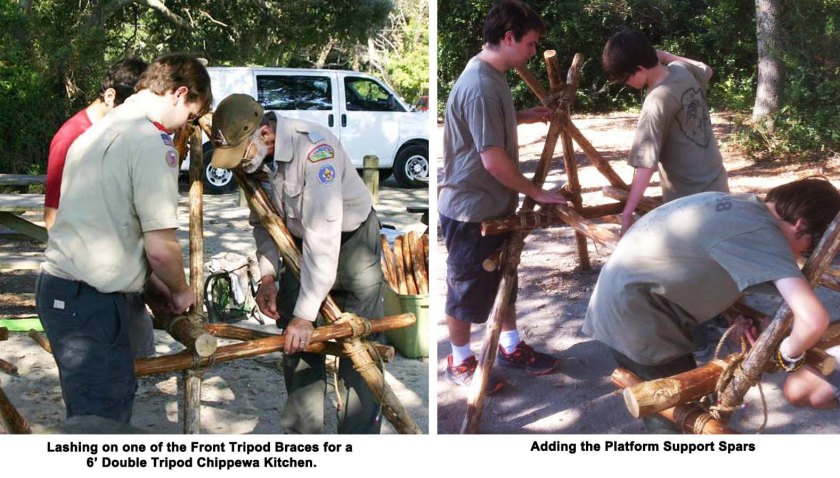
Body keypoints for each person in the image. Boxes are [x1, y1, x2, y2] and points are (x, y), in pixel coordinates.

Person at [582, 177, 840, 432]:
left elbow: (708, 264)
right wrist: (786, 355)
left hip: (621, 300)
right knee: (674, 414)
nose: (799, 256)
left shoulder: (745, 207)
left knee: (674, 407)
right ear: (800, 224)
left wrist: (733, 316)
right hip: (638, 318)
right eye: (808, 248)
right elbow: (813, 320)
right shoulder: (763, 234)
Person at [36, 53, 212, 423]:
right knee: (101, 424)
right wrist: (180, 291)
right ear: (179, 94)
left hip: (65, 292)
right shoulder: (151, 141)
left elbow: (114, 231)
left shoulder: (95, 130)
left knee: (90, 414)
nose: (186, 126)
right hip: (90, 302)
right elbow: (161, 248)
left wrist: (152, 288)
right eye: (191, 116)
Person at [210, 94, 384, 434]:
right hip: (300, 246)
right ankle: (304, 437)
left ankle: (359, 439)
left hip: (351, 242)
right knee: (296, 338)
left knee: (360, 345)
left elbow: (323, 235)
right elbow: (264, 222)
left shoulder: (316, 151)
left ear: (263, 133)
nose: (238, 164)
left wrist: (307, 315)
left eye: (239, 154)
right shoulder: (256, 161)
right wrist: (268, 277)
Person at [439, 0, 568, 389]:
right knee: (464, 290)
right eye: (530, 44)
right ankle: (460, 359)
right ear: (508, 38)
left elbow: (485, 122)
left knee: (505, 278)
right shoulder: (480, 85)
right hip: (471, 211)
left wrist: (523, 116)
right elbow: (492, 158)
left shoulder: (492, 73)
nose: (532, 52)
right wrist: (537, 192)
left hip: (492, 205)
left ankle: (510, 346)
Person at [43, 57, 156, 359]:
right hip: (90, 286)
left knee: (139, 353)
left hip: (119, 278)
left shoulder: (118, 136)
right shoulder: (72, 137)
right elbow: (52, 216)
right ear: (110, 97)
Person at [602, 30, 729, 236]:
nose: (625, 84)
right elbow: (706, 69)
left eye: (625, 78)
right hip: (717, 183)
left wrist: (627, 212)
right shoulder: (681, 69)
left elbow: (645, 165)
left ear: (640, 68)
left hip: (689, 201)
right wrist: (668, 56)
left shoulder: (656, 101)